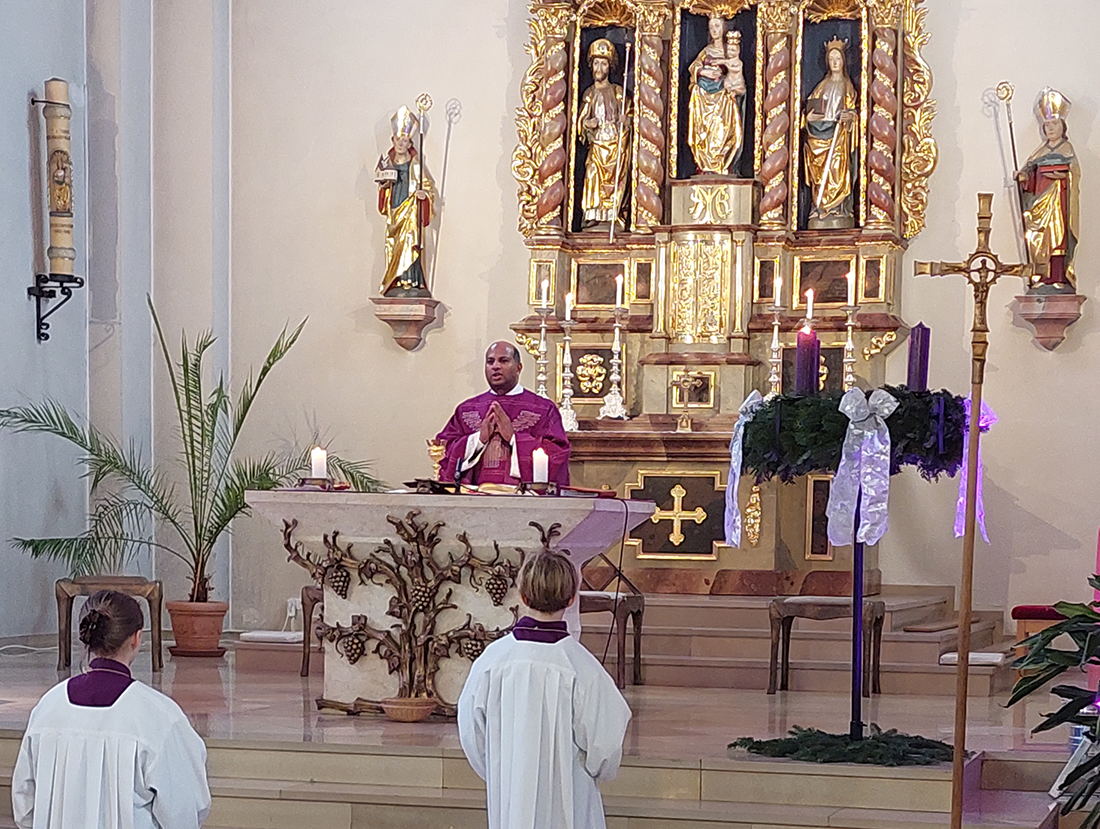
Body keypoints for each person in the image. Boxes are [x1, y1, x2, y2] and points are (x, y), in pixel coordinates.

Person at [458, 550, 632, 829]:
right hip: (570, 798)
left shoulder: (493, 660)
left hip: (511, 795)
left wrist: (501, 769)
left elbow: (472, 732)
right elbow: (606, 744)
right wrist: (590, 774)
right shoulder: (581, 667)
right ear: (572, 598)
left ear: (522, 596)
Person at [11, 590, 211, 829]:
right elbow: (184, 810)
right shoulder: (158, 715)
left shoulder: (48, 707)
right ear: (136, 638)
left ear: (86, 636)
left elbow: (24, 805)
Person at [435, 340, 570, 487]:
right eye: (490, 361)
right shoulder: (466, 409)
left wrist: (513, 438)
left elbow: (558, 453)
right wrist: (477, 440)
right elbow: (443, 449)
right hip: (473, 495)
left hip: (522, 498)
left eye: (503, 360)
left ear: (519, 368)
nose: (496, 366)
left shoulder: (543, 408)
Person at [1016, 88, 1078, 292]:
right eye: (1047, 125)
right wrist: (1024, 177)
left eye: (1054, 124)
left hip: (1059, 203)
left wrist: (1064, 176)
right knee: (1039, 237)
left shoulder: (1067, 149)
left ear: (1063, 126)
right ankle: (1041, 277)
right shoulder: (1040, 152)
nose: (1050, 128)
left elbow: (1074, 174)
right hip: (1039, 204)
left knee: (1058, 237)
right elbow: (1029, 175)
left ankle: (1059, 277)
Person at [376, 105, 434, 297]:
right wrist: (384, 186)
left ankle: (411, 280)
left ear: (410, 143)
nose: (401, 144)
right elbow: (382, 188)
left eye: (405, 141)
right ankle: (396, 280)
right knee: (395, 242)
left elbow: (427, 187)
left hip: (411, 209)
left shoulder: (416, 164)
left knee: (411, 241)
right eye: (398, 140)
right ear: (393, 140)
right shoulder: (387, 163)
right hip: (395, 208)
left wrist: (423, 195)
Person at [802, 38, 858, 229]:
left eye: (838, 58)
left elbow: (853, 112)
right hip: (819, 137)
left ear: (843, 61)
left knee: (837, 170)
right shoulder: (821, 86)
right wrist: (809, 119)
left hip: (838, 138)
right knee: (819, 172)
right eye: (831, 58)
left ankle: (838, 208)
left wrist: (849, 116)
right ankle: (820, 208)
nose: (835, 62)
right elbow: (810, 111)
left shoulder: (847, 86)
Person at [578, 38, 632, 229]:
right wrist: (586, 123)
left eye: (603, 63)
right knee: (592, 174)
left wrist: (627, 122)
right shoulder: (590, 94)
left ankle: (612, 214)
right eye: (596, 63)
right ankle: (594, 213)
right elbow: (580, 123)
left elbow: (629, 114)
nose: (599, 67)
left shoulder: (618, 92)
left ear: (610, 67)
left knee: (616, 179)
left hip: (615, 144)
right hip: (598, 145)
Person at [687, 16, 746, 176]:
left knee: (723, 131)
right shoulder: (706, 51)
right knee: (704, 130)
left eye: (717, 26)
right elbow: (694, 67)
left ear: (724, 28)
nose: (714, 30)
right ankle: (704, 164)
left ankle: (723, 164)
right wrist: (702, 71)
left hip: (723, 99)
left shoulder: (731, 51)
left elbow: (735, 72)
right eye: (711, 27)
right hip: (704, 95)